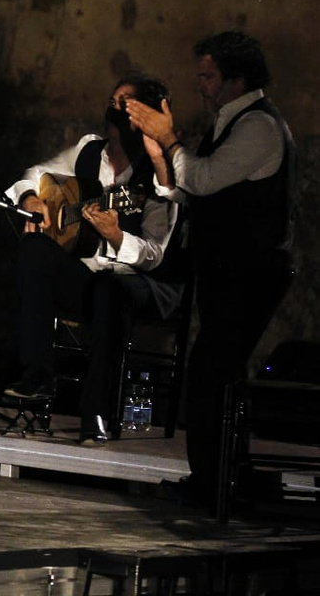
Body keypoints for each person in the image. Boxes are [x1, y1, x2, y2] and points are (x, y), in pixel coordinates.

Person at [126, 30, 295, 508]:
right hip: (230, 271)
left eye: (208, 76)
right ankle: (225, 480)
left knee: (210, 373)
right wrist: (162, 156)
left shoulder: (258, 126)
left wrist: (170, 138)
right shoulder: (231, 121)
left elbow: (201, 178)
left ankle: (216, 485)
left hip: (252, 270)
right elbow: (187, 189)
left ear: (236, 79)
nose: (200, 85)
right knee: (217, 374)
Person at [3, 75, 181, 444]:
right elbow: (33, 176)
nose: (113, 109)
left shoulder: (159, 175)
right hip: (87, 276)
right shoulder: (88, 149)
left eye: (124, 104)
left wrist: (116, 236)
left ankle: (95, 413)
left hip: (138, 284)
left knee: (109, 289)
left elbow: (155, 253)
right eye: (112, 100)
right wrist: (31, 200)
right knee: (35, 248)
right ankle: (37, 376)